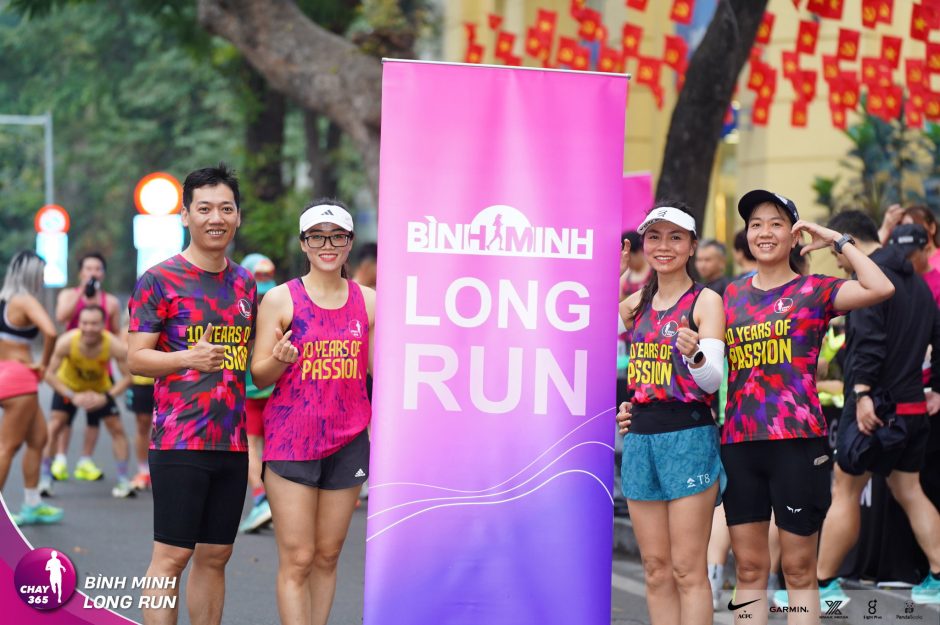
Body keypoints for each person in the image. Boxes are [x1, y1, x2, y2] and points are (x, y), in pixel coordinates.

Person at [721, 191, 893, 624]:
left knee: (798, 570)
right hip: (740, 443)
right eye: (756, 224)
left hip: (797, 444)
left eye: (776, 223)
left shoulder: (813, 290)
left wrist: (836, 239)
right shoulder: (730, 295)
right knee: (749, 569)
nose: (764, 233)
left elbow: (881, 286)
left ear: (795, 235)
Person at [127, 164, 256, 625]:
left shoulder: (245, 283)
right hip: (179, 439)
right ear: (186, 216)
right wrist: (187, 358)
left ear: (237, 216)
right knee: (172, 556)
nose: (215, 218)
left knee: (216, 556)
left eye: (226, 208)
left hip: (233, 442)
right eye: (204, 209)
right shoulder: (159, 280)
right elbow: (136, 359)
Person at [791, 215, 940, 607]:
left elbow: (869, 344)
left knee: (845, 491)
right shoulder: (920, 287)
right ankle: (938, 578)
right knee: (909, 489)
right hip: (912, 408)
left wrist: (861, 393)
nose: (839, 262)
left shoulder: (868, 284)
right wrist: (937, 388)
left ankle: (822, 585)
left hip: (873, 409)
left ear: (850, 242)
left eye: (839, 252)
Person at [251, 199, 374, 625]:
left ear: (349, 243)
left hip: (349, 440)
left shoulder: (370, 302)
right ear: (304, 244)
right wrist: (278, 359)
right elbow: (260, 374)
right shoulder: (280, 299)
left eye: (337, 237)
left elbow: (380, 373)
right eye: (317, 237)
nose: (328, 246)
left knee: (327, 555)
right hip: (291, 441)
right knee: (299, 557)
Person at [618, 203, 726, 625]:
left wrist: (695, 355)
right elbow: (585, 334)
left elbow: (712, 381)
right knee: (655, 568)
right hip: (640, 439)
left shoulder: (705, 301)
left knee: (686, 569)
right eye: (655, 237)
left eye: (675, 237)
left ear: (692, 246)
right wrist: (615, 277)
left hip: (688, 436)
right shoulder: (634, 305)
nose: (664, 246)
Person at [43, 304, 135, 498]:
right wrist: (72, 396)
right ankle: (44, 480)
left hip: (99, 391)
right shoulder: (66, 342)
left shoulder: (113, 345)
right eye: (84, 323)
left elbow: (128, 377)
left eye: (94, 323)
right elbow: (49, 374)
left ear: (103, 324)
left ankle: (123, 481)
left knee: (117, 429)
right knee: (55, 426)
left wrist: (106, 397)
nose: (89, 328)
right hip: (69, 387)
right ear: (79, 323)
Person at [48, 251, 121, 483]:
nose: (93, 273)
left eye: (98, 269)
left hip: (100, 366)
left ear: (103, 274)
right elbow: (61, 316)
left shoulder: (110, 302)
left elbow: (117, 332)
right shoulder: (69, 295)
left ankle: (85, 460)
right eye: (88, 269)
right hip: (71, 365)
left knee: (94, 416)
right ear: (80, 272)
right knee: (63, 416)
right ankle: (60, 459)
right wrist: (82, 293)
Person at [0, 251, 62, 525]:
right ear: (32, 274)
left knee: (38, 439)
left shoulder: (3, 300)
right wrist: (44, 365)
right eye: (42, 273)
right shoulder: (25, 300)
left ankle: (32, 504)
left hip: (5, 373)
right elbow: (51, 332)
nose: (43, 279)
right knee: (7, 447)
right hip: (20, 380)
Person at [237, 253, 277, 534]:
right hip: (269, 387)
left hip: (256, 389)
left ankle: (262, 498)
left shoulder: (238, 307)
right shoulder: (280, 304)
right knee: (268, 445)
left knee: (252, 444)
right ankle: (268, 499)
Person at [621, 230, 652, 299]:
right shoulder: (624, 276)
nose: (627, 263)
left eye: (629, 259)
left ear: (639, 251)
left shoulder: (654, 271)